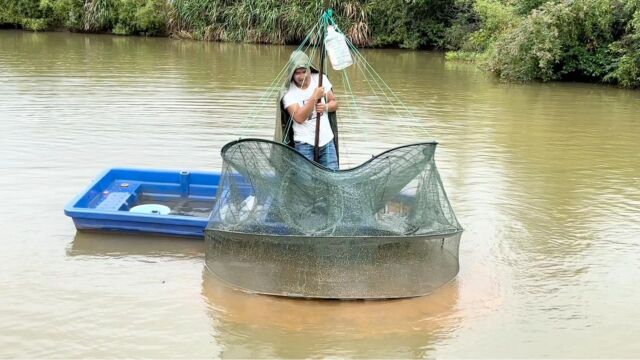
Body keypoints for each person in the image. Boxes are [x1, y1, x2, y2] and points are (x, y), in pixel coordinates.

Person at [280, 51, 339, 170]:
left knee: (333, 176)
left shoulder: (320, 79)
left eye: (304, 71)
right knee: (305, 182)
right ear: (292, 73)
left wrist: (326, 107)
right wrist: (314, 97)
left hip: (326, 139)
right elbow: (299, 118)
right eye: (297, 73)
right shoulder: (288, 91)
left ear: (310, 69)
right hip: (303, 142)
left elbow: (335, 103)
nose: (302, 76)